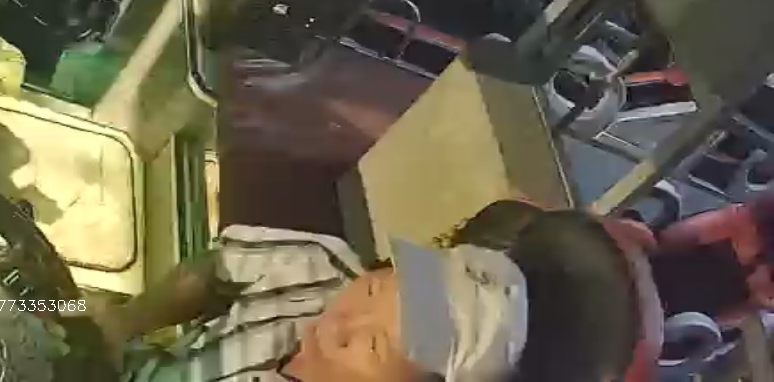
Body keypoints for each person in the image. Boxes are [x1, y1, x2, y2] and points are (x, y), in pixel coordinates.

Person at [85, 201, 643, 382]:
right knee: (43, 302)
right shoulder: (318, 264)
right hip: (106, 360)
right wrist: (126, 321)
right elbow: (215, 269)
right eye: (373, 292)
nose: (339, 322)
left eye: (371, 347)